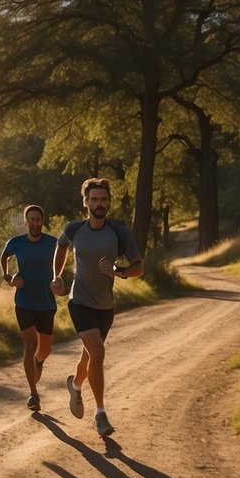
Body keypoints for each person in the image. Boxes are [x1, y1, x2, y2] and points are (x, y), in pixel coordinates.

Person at [51, 178, 143, 437]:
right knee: (98, 352)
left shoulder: (118, 231)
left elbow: (138, 266)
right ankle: (100, 414)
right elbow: (61, 246)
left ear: (108, 202)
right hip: (78, 300)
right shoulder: (74, 228)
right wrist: (56, 276)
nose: (99, 204)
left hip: (105, 305)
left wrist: (119, 271)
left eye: (103, 199)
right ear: (86, 202)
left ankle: (76, 385)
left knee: (90, 356)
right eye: (94, 199)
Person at [0, 204, 58, 412]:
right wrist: (8, 278)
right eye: (31, 219)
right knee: (30, 345)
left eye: (38, 219)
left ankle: (39, 362)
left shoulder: (52, 243)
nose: (34, 223)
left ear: (42, 221)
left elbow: (63, 258)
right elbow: (4, 256)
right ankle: (34, 394)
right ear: (26, 221)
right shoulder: (17, 242)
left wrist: (58, 279)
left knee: (45, 349)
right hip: (24, 302)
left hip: (46, 302)